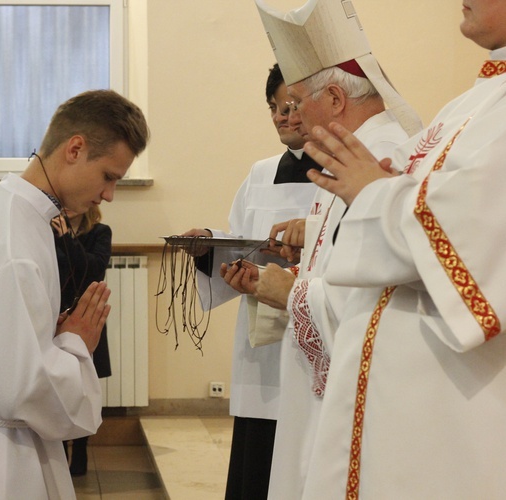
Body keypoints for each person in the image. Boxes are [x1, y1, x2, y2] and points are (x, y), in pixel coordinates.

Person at [289, 1, 506, 497]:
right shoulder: (470, 104)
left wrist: (375, 194)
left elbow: (475, 235)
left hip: (450, 420)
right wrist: (382, 191)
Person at [219, 2, 421, 497]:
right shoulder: (354, 156)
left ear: (334, 98)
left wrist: (290, 292)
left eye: (300, 100)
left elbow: (375, 305)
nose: (294, 116)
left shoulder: (383, 158)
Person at [0, 89, 149, 499]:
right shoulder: (15, 244)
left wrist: (50, 334)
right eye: (109, 176)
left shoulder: (21, 214)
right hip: (0, 463)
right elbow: (25, 391)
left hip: (0, 445)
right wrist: (76, 344)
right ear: (75, 149)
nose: (109, 194)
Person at [180, 63, 322, 499]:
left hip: (313, 331)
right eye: (275, 107)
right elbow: (238, 242)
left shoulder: (344, 174)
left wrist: (304, 247)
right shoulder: (260, 174)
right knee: (256, 461)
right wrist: (209, 247)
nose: (282, 115)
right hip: (260, 349)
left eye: (292, 105)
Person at [52, 204, 112, 477]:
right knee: (60, 384)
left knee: (85, 385)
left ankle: (81, 448)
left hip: (87, 317)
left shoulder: (101, 232)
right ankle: (60, 447)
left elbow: (93, 269)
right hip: (57, 317)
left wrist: (68, 239)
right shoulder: (49, 230)